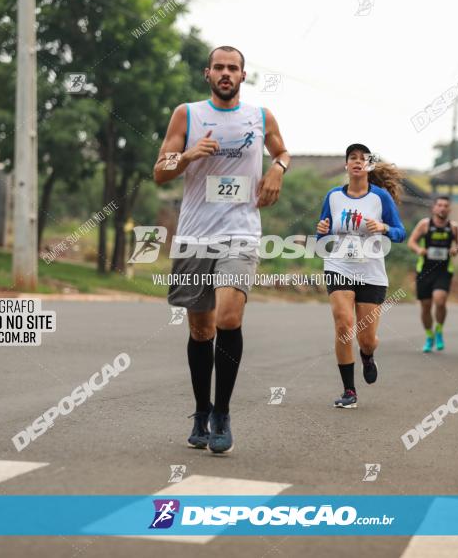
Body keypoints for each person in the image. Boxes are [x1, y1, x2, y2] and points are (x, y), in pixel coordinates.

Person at [153, 45, 291, 453]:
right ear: (207, 74)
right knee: (201, 329)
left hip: (241, 233)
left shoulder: (260, 116)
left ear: (244, 76)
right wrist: (189, 155)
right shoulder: (188, 114)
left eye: (233, 68)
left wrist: (277, 169)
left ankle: (223, 414)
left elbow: (281, 150)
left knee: (229, 318)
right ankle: (201, 410)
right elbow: (159, 171)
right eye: (219, 67)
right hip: (196, 234)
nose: (226, 73)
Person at [316, 144, 406, 409]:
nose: (357, 161)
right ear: (346, 165)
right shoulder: (333, 196)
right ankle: (349, 391)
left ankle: (368, 355)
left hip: (371, 271)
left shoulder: (380, 198)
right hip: (339, 266)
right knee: (344, 325)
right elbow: (323, 233)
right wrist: (321, 230)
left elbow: (400, 232)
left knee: (366, 338)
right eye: (352, 158)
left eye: (362, 158)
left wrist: (384, 227)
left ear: (368, 166)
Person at [407, 197, 458, 353]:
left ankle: (439, 329)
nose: (442, 208)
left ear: (449, 210)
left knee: (439, 300)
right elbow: (411, 241)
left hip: (443, 270)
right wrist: (419, 250)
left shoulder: (453, 227)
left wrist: (456, 250)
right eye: (439, 205)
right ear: (434, 208)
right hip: (424, 269)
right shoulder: (425, 224)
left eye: (446, 206)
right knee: (425, 306)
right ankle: (429, 334)